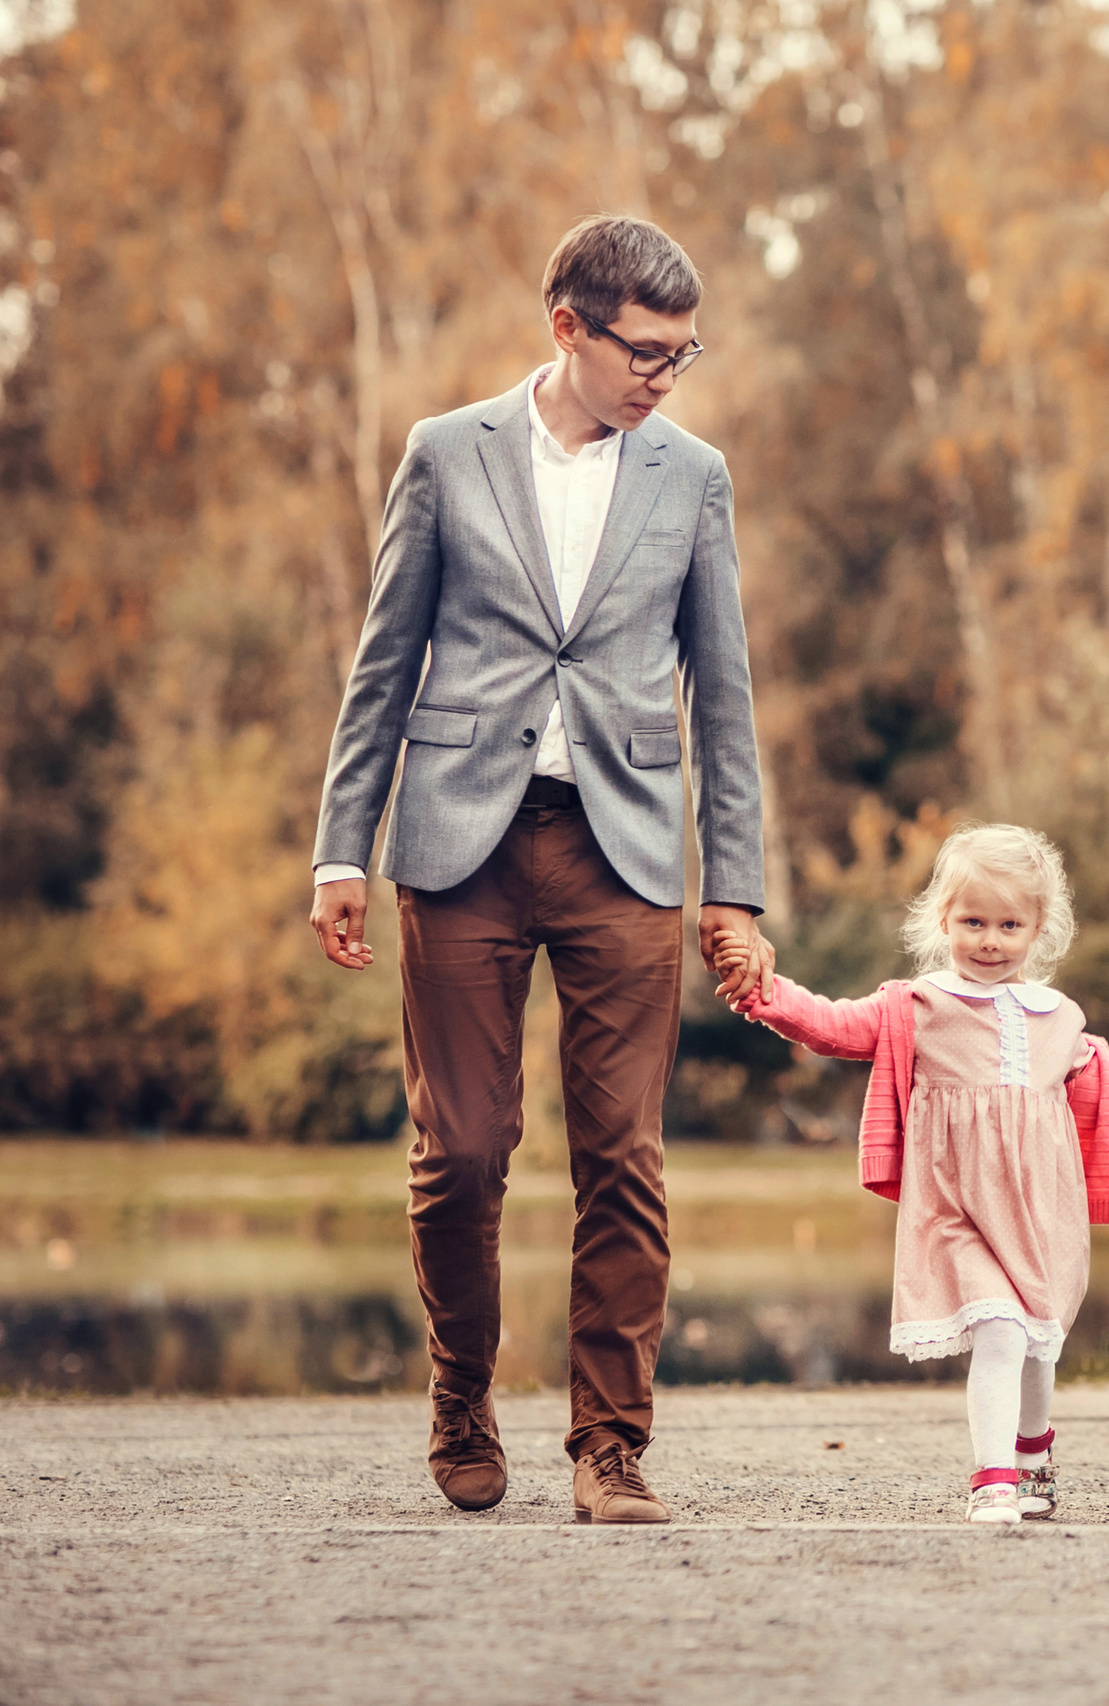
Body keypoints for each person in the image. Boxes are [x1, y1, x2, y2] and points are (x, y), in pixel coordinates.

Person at [308, 215, 776, 1525]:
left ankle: (609, 1445)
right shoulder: (444, 455)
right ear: (566, 325)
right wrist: (342, 844)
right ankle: (462, 1398)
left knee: (623, 1152)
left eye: (683, 356)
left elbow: (724, 696)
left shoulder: (695, 474)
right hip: (459, 843)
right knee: (461, 1148)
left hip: (627, 849)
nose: (663, 378)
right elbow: (381, 665)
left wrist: (732, 882)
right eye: (644, 350)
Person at [717, 825, 1109, 1524]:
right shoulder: (916, 1007)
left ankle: (1033, 1453)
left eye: (1009, 925)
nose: (990, 940)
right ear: (944, 919)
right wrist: (764, 993)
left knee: (1037, 1344)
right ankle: (994, 1480)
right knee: (999, 1331)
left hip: (1042, 1214)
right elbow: (827, 1024)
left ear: (1039, 930)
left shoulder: (1059, 1019)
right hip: (956, 1209)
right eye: (973, 922)